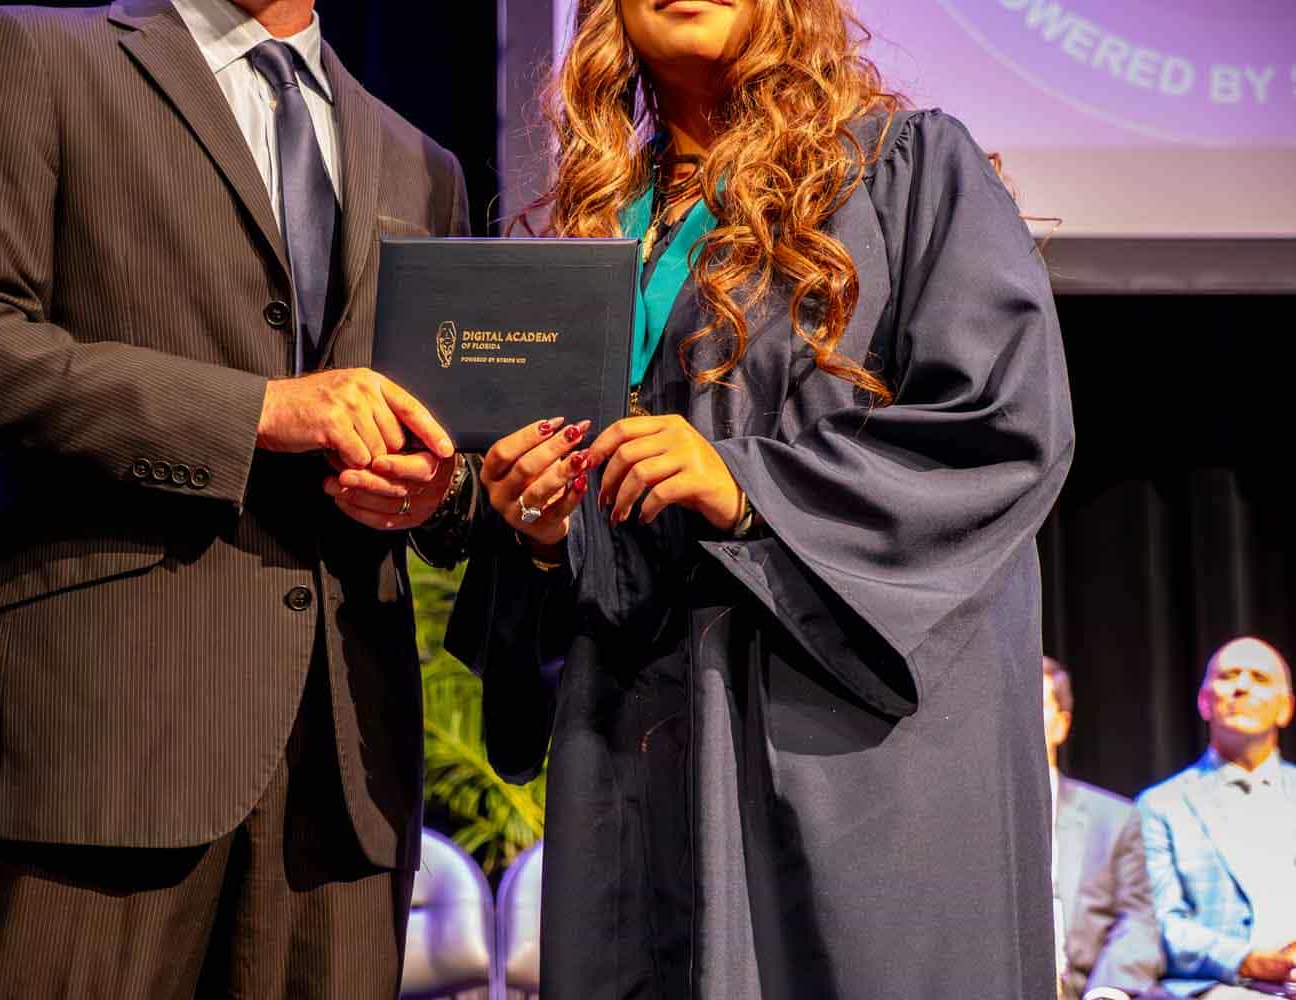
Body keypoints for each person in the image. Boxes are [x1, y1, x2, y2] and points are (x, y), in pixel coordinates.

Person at [439, 0, 1074, 995]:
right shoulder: (600, 234)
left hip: (850, 762)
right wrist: (542, 530)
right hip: (640, 762)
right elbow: (568, 588)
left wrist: (743, 485)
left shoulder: (907, 171)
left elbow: (1003, 425)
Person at [0, 0, 476, 995]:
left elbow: (450, 447)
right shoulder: (37, 55)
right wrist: (252, 412)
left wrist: (435, 492)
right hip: (101, 750)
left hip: (339, 781)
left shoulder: (423, 162)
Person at [1137, 637, 1296, 998]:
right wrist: (1248, 960)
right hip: (1225, 985)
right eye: (1228, 676)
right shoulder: (1162, 805)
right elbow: (1161, 922)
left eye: (1259, 677)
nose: (1241, 686)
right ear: (1204, 702)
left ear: (1285, 709)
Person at [1043, 656, 1164, 998]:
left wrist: (1108, 992)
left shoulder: (1112, 818)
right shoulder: (970, 819)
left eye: (1034, 705)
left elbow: (1137, 919)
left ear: (1062, 724)